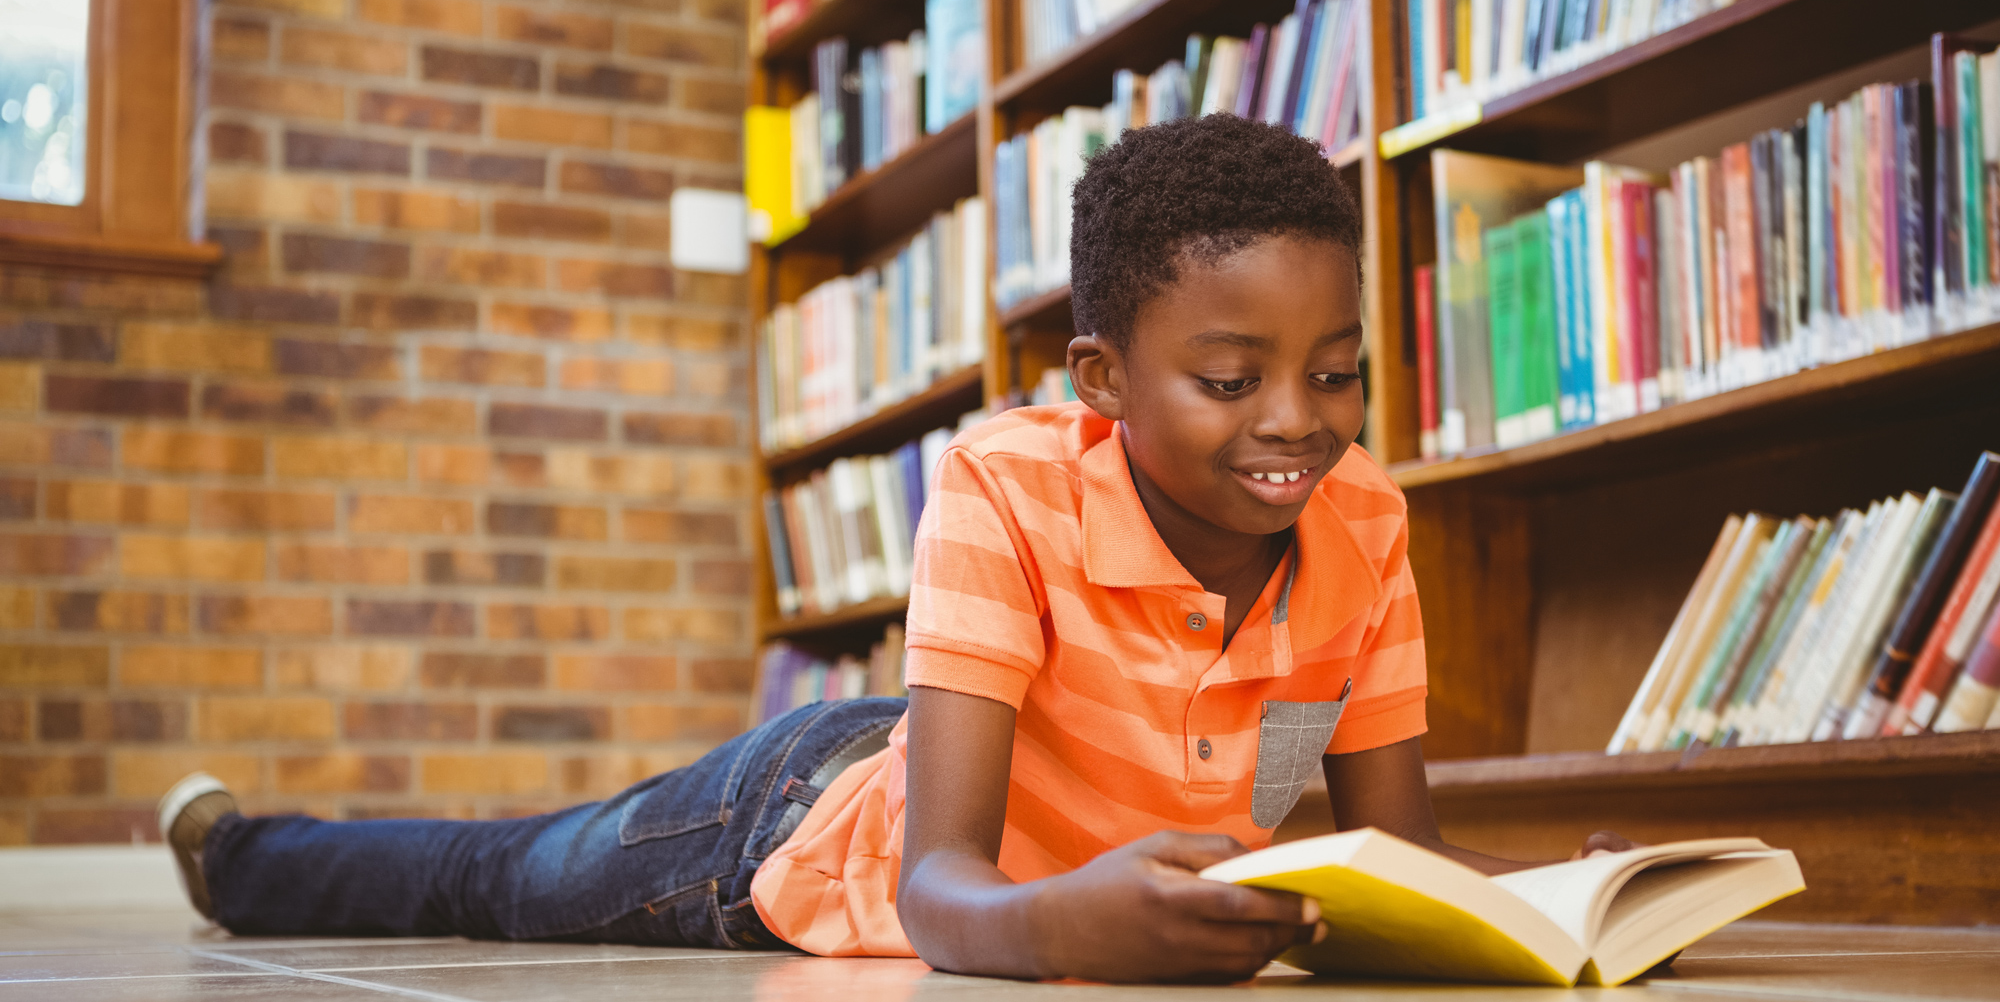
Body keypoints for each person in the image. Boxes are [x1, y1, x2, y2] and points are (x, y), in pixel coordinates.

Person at [160, 115, 1625, 983]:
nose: (1297, 424)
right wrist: (1066, 918)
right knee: (505, 877)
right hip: (805, 822)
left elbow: (1408, 850)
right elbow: (939, 884)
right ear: (1103, 379)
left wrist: (1583, 887)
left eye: (1339, 368)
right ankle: (238, 853)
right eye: (1232, 381)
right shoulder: (1006, 485)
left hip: (972, 776)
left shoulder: (1365, 521)